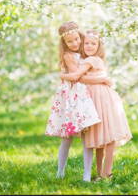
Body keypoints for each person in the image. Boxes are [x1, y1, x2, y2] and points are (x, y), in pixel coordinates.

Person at [60, 29, 132, 179]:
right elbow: (85, 77)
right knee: (101, 135)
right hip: (96, 97)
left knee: (105, 135)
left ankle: (106, 172)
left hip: (101, 97)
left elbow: (76, 77)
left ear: (99, 46)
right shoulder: (89, 59)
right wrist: (103, 79)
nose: (89, 46)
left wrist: (62, 75)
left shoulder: (90, 60)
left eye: (93, 43)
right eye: (86, 43)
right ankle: (101, 173)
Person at [45, 22, 111, 181]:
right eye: (70, 41)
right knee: (67, 139)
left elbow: (93, 70)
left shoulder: (86, 52)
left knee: (87, 138)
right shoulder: (68, 56)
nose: (74, 43)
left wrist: (101, 77)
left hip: (85, 98)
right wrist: (102, 79)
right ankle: (60, 172)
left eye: (76, 39)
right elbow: (77, 76)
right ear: (64, 43)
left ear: (80, 37)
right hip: (72, 99)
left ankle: (87, 175)